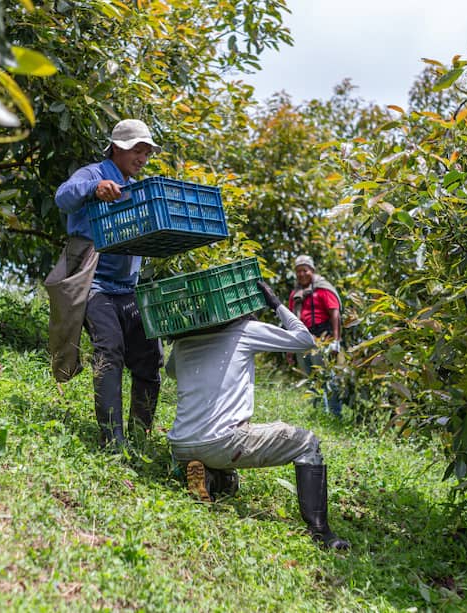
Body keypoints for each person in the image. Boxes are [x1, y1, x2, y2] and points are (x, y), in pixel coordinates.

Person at [164, 281, 350, 550]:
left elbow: (172, 372)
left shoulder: (184, 340)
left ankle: (209, 478)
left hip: (180, 444)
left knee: (230, 482)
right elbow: (305, 340)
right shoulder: (244, 330)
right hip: (224, 442)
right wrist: (276, 305)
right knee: (307, 443)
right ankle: (320, 531)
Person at [54, 119, 163, 449]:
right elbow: (62, 197)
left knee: (149, 354)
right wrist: (93, 189)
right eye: (137, 150)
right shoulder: (93, 174)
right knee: (110, 348)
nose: (142, 158)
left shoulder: (135, 187)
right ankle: (111, 438)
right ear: (117, 147)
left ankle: (140, 434)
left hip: (126, 288)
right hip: (95, 284)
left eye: (146, 152)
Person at [288, 255, 343, 416]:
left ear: (312, 270)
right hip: (302, 339)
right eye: (298, 271)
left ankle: (335, 414)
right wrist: (289, 348)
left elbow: (335, 314)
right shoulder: (295, 294)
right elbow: (291, 320)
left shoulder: (323, 289)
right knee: (310, 377)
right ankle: (319, 413)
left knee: (326, 377)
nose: (301, 274)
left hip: (322, 338)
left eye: (304, 270)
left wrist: (336, 340)